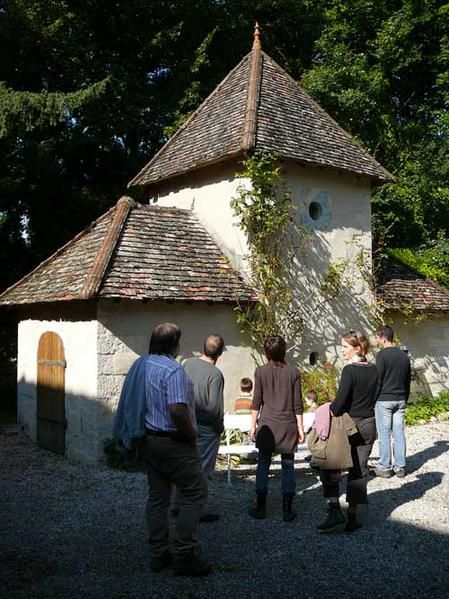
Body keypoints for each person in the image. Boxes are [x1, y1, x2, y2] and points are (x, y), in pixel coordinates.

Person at [112, 322, 211, 577]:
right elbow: (177, 409)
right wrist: (190, 434)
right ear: (173, 344)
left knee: (158, 497)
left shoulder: (141, 364)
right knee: (195, 492)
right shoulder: (173, 370)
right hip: (174, 442)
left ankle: (159, 554)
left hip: (148, 440)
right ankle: (184, 553)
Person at [317, 330, 377, 533]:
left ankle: (334, 510)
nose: (341, 350)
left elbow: (338, 405)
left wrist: (328, 408)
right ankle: (352, 517)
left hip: (348, 426)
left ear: (357, 348)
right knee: (358, 471)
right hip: (368, 423)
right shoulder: (374, 369)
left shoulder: (350, 371)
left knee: (331, 464)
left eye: (345, 347)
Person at [248, 335, 304, 522]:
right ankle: (287, 510)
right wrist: (301, 428)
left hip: (267, 425)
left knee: (263, 464)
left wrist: (252, 426)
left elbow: (256, 402)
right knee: (288, 466)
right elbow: (298, 404)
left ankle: (260, 506)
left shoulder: (260, 372)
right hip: (287, 425)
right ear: (284, 351)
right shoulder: (293, 372)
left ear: (266, 352)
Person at [180, 333, 225, 522]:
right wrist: (219, 428)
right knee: (202, 470)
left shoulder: (187, 364)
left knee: (184, 465)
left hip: (184, 421)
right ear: (220, 352)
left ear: (203, 347)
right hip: (205, 428)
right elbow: (214, 408)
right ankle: (196, 510)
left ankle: (177, 505)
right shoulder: (215, 374)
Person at [373, 324, 411, 478]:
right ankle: (400, 467)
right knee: (399, 433)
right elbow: (408, 379)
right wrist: (405, 397)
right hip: (400, 398)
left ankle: (384, 466)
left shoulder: (381, 356)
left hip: (384, 399)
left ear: (383, 338)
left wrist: (373, 398)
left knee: (384, 434)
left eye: (376, 338)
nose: (376, 341)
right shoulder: (404, 355)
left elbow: (378, 380)